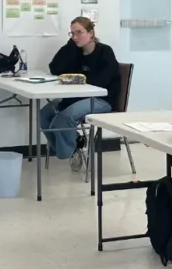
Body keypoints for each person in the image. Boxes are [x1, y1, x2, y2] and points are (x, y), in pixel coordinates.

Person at [39, 17, 119, 171]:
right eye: (72, 34)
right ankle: (75, 143)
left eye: (79, 33)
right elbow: (55, 68)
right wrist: (70, 46)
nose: (75, 37)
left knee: (63, 118)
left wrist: (75, 82)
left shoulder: (105, 52)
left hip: (102, 100)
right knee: (45, 114)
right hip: (76, 98)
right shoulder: (75, 51)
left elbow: (101, 83)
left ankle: (68, 152)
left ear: (91, 33)